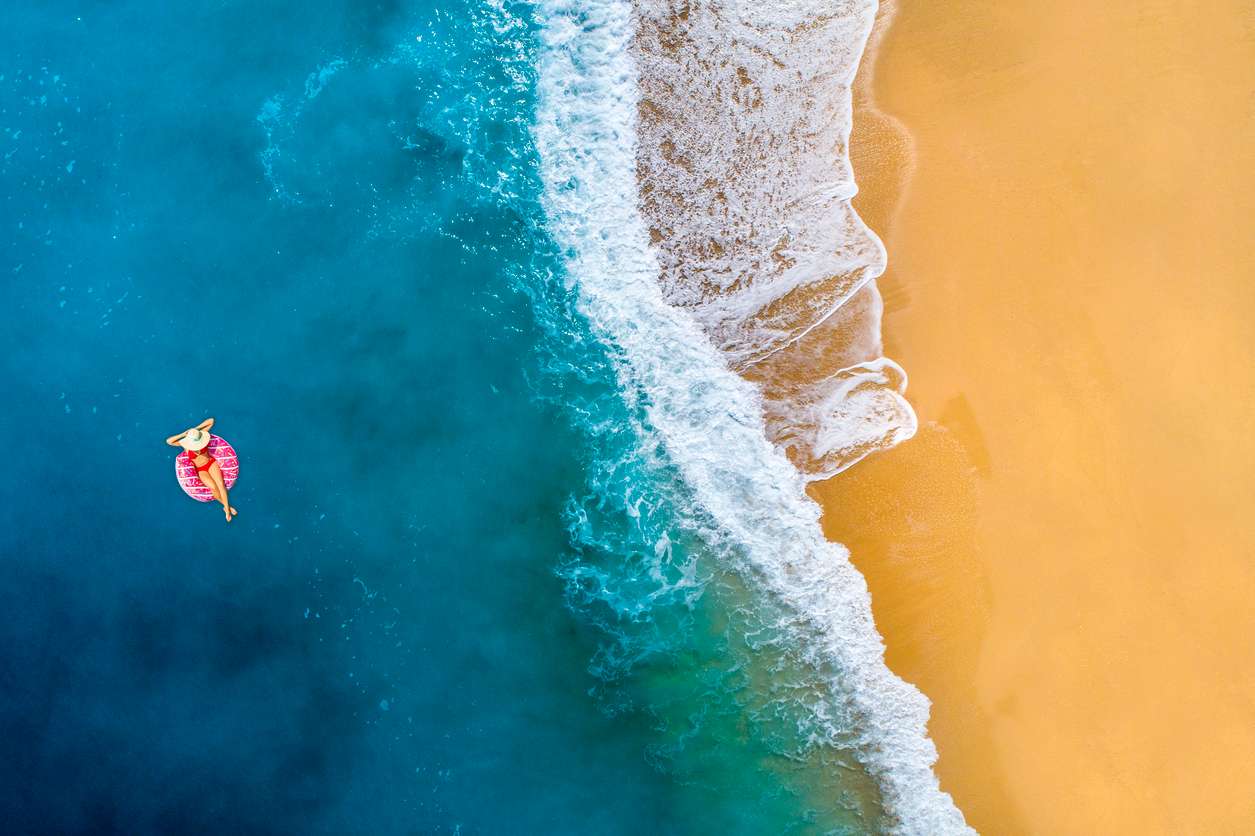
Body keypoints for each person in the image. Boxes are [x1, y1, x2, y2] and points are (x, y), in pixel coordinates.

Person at [166, 417, 238, 522]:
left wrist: (196, 430)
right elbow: (169, 441)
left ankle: (227, 511)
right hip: (201, 469)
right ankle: (226, 506)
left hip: (210, 463)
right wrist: (185, 434)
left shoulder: (201, 435)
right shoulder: (185, 445)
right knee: (213, 487)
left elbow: (211, 421)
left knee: (220, 485)